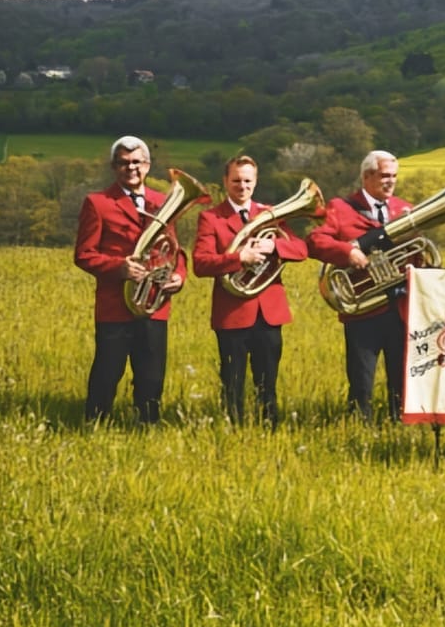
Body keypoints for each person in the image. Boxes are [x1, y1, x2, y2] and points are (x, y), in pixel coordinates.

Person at [73, 135, 187, 425]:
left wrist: (179, 276)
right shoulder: (97, 203)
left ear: (147, 165)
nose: (131, 168)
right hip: (115, 305)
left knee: (152, 375)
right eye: (124, 163)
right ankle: (95, 425)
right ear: (114, 167)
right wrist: (118, 268)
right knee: (107, 372)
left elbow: (176, 249)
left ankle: (147, 427)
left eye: (137, 162)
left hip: (154, 303)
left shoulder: (164, 202)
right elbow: (84, 255)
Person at [191, 155, 307, 427]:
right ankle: (233, 430)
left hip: (269, 313)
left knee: (268, 383)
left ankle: (270, 429)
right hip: (232, 313)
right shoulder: (211, 218)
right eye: (236, 181)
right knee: (232, 383)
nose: (242, 186)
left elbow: (301, 249)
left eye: (247, 181)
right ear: (225, 181)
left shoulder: (270, 214)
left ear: (255, 182)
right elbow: (200, 263)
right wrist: (239, 258)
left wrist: (274, 247)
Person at [309, 150, 413, 420]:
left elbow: (417, 251)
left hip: (400, 307)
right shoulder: (341, 207)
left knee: (402, 379)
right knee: (361, 379)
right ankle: (359, 426)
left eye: (394, 176)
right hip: (363, 310)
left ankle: (398, 426)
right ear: (367, 176)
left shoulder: (404, 208)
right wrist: (348, 252)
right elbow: (316, 241)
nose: (391, 181)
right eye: (385, 176)